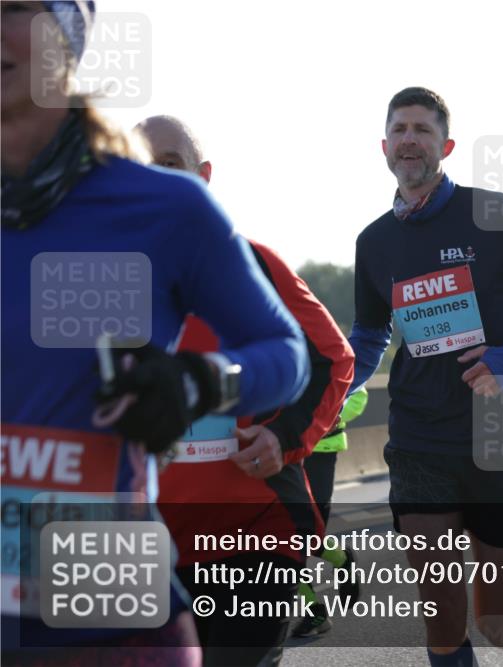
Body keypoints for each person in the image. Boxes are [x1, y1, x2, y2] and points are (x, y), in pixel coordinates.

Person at [1, 3, 309, 665]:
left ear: (70, 36)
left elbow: (287, 354)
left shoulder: (162, 207)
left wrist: (199, 381)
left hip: (103, 600)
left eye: (13, 8)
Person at [348, 88, 503, 666]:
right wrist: (331, 393)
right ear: (384, 146)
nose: (410, 139)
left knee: (500, 622)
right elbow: (370, 335)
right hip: (419, 435)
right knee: (442, 619)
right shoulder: (373, 241)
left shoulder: (494, 214)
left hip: (498, 428)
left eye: (422, 130)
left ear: (445, 146)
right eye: (399, 129)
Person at [135, 114, 356, 666]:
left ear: (203, 177)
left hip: (251, 537)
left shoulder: (252, 263)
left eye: (171, 166)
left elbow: (333, 358)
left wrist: (283, 437)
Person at [293, 385, 369, 637]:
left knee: (302, 538)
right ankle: (315, 612)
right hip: (283, 453)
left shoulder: (331, 348)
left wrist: (330, 414)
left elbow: (358, 393)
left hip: (320, 450)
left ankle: (340, 560)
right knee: (283, 542)